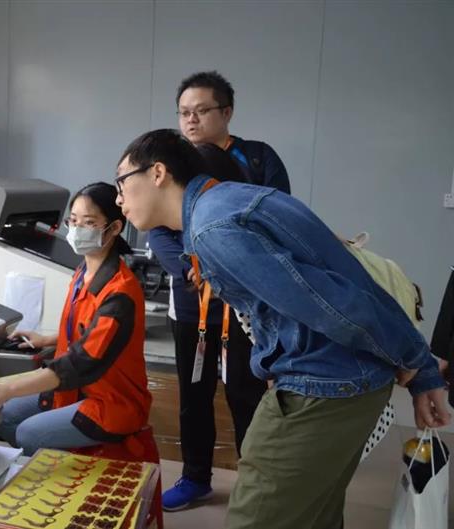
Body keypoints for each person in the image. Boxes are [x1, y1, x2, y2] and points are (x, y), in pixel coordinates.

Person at [114, 129, 450, 529]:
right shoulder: (239, 200)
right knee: (316, 514)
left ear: (157, 173)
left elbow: (331, 304)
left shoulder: (212, 229)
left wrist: (413, 361)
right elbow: (354, 282)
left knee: (258, 516)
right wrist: (419, 365)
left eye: (121, 183)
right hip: (345, 380)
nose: (118, 199)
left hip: (321, 387)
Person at [0, 182, 151, 457]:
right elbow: (89, 333)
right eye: (73, 221)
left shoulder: (119, 293)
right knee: (3, 415)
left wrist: (9, 388)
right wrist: (49, 340)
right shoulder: (84, 271)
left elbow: (81, 362)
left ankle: (56, 475)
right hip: (77, 388)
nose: (77, 230)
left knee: (29, 433)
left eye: (88, 222)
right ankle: (51, 463)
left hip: (110, 401)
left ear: (114, 228)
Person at [148, 143, 268, 511]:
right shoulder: (171, 197)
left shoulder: (235, 185)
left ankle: (256, 485)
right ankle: (195, 477)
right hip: (190, 314)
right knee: (194, 398)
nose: (192, 119)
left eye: (199, 112)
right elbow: (158, 235)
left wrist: (220, 270)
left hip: (239, 313)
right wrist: (192, 269)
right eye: (185, 114)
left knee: (245, 397)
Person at [176, 70, 290, 192]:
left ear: (226, 113)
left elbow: (278, 203)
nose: (191, 119)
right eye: (185, 113)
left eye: (202, 111)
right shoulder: (173, 162)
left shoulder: (258, 156)